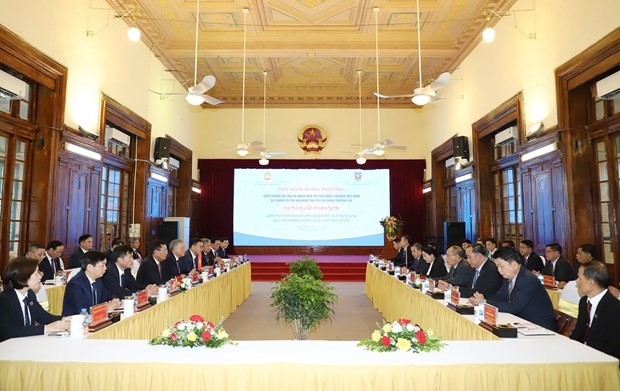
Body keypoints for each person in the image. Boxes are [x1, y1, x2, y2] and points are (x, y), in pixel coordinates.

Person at [469, 247, 556, 330]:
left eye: (501, 266)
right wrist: (481, 300)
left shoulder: (528, 280)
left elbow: (514, 307)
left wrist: (485, 302)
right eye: (497, 267)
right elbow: (500, 297)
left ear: (514, 264)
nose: (499, 270)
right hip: (521, 321)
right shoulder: (508, 277)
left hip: (539, 326)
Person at [0, 257, 69, 342]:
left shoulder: (30, 294)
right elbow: (8, 332)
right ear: (23, 277)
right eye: (36, 273)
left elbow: (43, 316)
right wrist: (46, 328)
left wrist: (65, 319)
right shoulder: (4, 300)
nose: (40, 276)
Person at [570, 261, 620, 359]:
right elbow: (578, 333)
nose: (576, 282)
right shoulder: (584, 301)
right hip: (582, 354)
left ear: (591, 282)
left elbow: (612, 346)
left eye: (579, 278)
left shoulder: (614, 308)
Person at [62, 251, 119, 316]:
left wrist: (115, 300)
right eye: (102, 265)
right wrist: (106, 309)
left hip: (94, 320)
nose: (105, 268)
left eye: (105, 265)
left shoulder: (98, 281)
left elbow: (107, 295)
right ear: (89, 267)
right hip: (75, 323)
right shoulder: (75, 285)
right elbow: (81, 312)